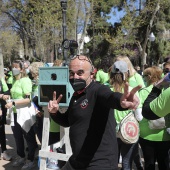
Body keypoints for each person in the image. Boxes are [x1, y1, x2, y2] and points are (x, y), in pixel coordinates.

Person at [47, 55, 141, 170]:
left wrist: (121, 101)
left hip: (99, 163)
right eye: (71, 73)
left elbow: (109, 97)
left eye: (80, 73)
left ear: (92, 74)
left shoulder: (98, 90)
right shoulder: (76, 94)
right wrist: (54, 113)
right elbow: (68, 121)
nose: (75, 77)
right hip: (78, 160)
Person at [108, 60, 141, 170]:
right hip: (128, 131)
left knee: (112, 163)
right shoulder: (130, 91)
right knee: (126, 163)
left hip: (111, 133)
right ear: (126, 74)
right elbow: (139, 116)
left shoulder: (106, 90)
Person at [5, 60, 37, 169]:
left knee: (28, 136)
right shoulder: (13, 80)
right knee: (17, 137)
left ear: (22, 69)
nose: (14, 69)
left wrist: (13, 102)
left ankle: (31, 158)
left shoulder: (25, 80)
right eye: (12, 67)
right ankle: (21, 156)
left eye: (16, 67)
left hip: (24, 113)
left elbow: (28, 99)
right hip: (14, 113)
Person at [138, 66, 170, 170]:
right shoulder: (166, 90)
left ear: (149, 77)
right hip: (164, 135)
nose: (143, 77)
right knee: (164, 163)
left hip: (146, 135)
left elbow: (140, 115)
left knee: (149, 163)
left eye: (144, 75)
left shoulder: (143, 92)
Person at [0, 77, 12, 161]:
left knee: (1, 131)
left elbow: (7, 90)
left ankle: (4, 151)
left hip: (1, 110)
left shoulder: (0, 79)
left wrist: (5, 95)